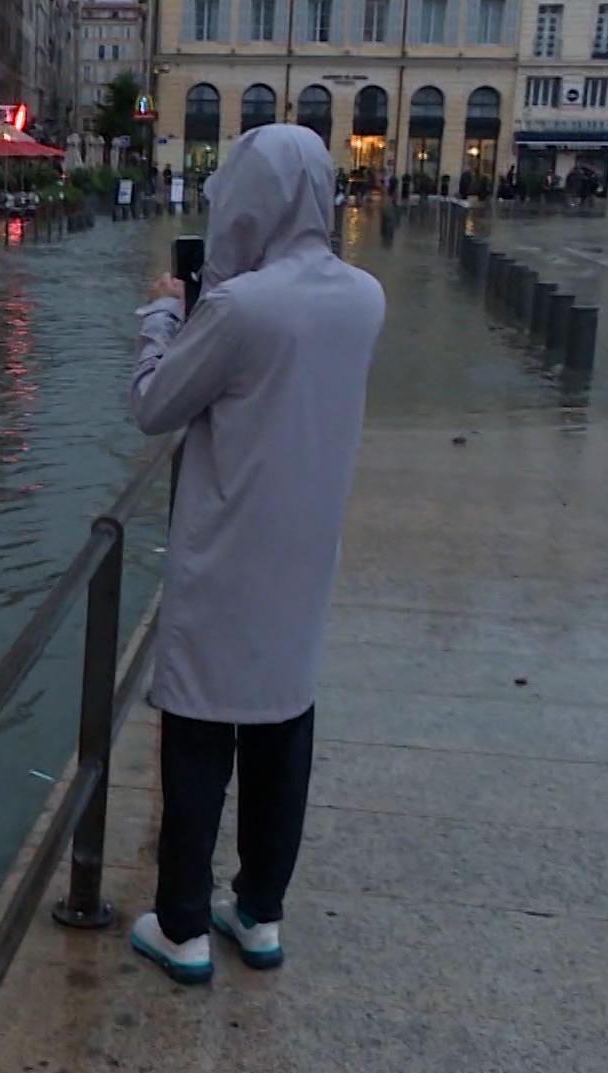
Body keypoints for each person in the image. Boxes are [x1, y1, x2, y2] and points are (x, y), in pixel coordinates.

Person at [123, 124, 385, 984]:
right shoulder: (364, 298)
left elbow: (156, 404)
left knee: (199, 725)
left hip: (228, 543)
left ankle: (185, 924)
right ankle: (261, 913)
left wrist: (165, 311)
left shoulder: (239, 308)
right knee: (283, 718)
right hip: (306, 548)